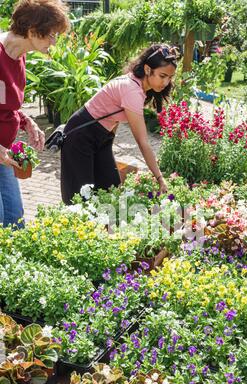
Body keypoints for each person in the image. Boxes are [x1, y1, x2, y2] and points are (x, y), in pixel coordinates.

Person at [61, 43, 178, 204]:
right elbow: (143, 142)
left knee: (110, 185)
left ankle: (103, 225)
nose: (166, 82)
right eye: (162, 76)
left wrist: (107, 143)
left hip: (100, 136)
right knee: (81, 196)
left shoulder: (137, 84)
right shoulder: (132, 91)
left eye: (170, 77)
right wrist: (160, 178)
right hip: (80, 135)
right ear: (147, 69)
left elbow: (112, 116)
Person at [0, 0, 70, 227]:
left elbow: (4, 102)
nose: (54, 41)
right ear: (31, 31)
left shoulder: (19, 55)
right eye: (51, 35)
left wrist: (27, 121)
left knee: (15, 220)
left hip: (4, 154)